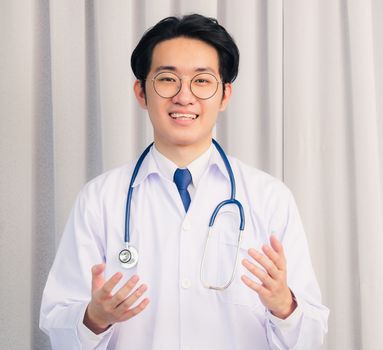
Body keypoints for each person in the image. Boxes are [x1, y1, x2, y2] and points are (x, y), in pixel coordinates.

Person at [40, 14, 329, 349]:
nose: (184, 97)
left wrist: (284, 306)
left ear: (224, 96)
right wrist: (94, 317)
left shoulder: (269, 198)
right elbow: (58, 324)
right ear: (141, 92)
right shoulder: (100, 199)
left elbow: (310, 338)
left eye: (202, 81)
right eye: (167, 80)